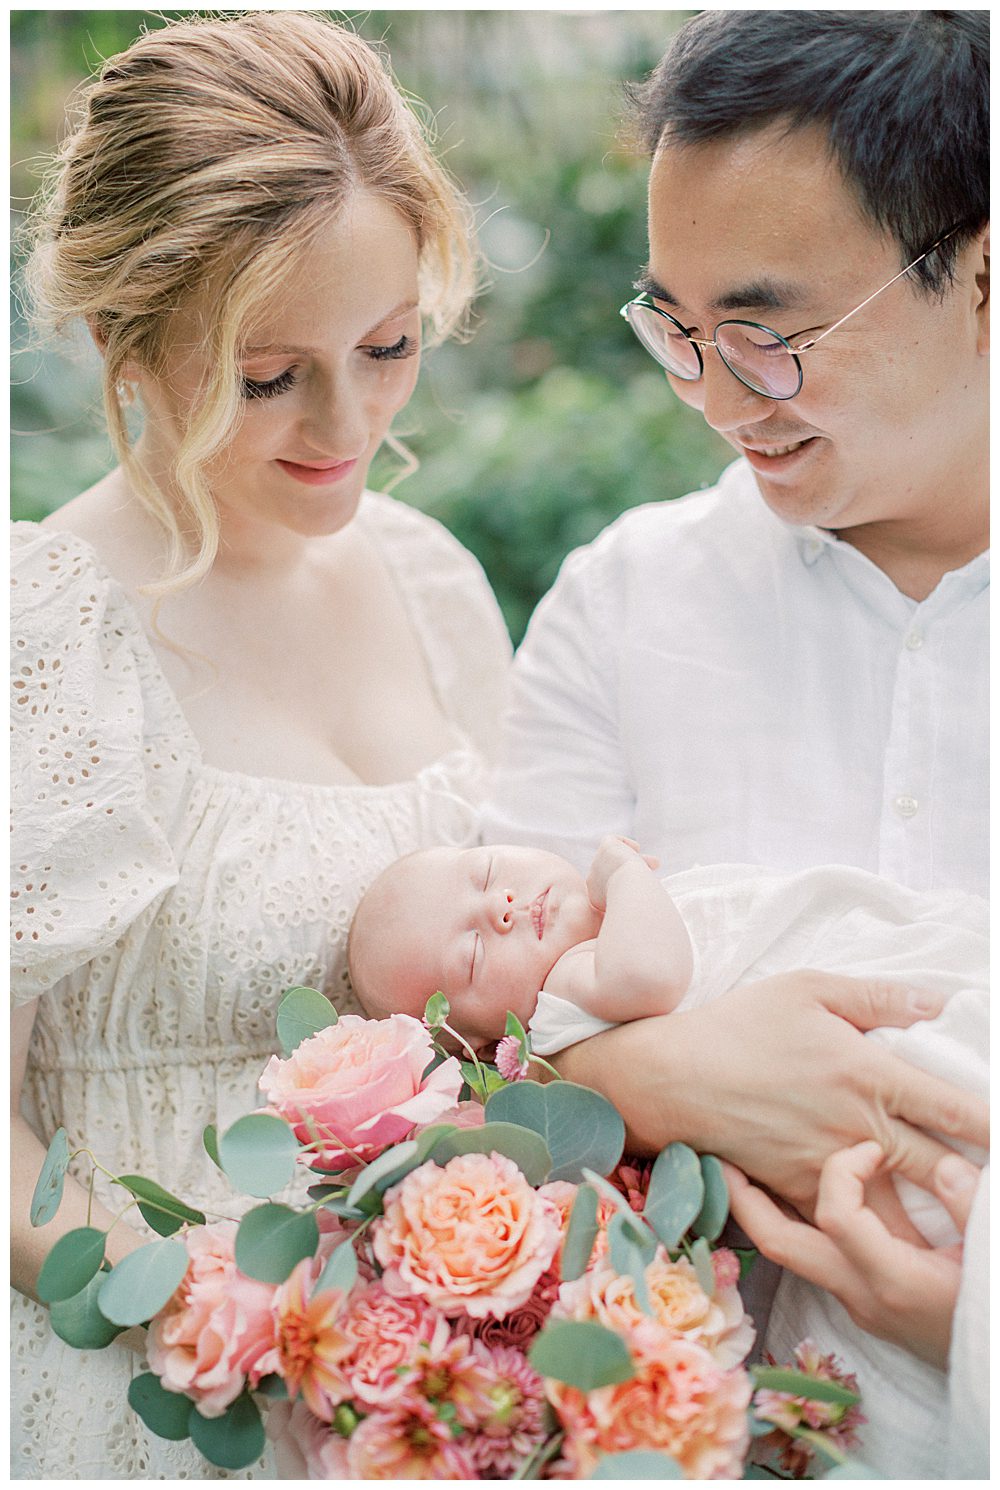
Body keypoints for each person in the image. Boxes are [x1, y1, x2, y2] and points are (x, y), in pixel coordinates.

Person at [482, 9, 988, 1475]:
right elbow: (479, 1060)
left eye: (767, 335)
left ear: (980, 277)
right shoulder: (625, 606)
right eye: (676, 331)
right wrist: (672, 1077)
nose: (713, 398)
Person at [10, 12, 512, 1478]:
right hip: (143, 1401)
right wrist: (190, 1307)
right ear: (121, 339)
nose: (345, 421)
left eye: (388, 345)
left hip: (429, 1396)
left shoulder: (430, 582)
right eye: (268, 374)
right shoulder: (42, 637)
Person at [349, 835, 690, 1049]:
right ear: (482, 1047)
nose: (500, 905)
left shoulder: (617, 916)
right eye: (472, 956)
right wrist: (623, 873)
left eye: (486, 872)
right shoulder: (564, 984)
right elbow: (651, 976)